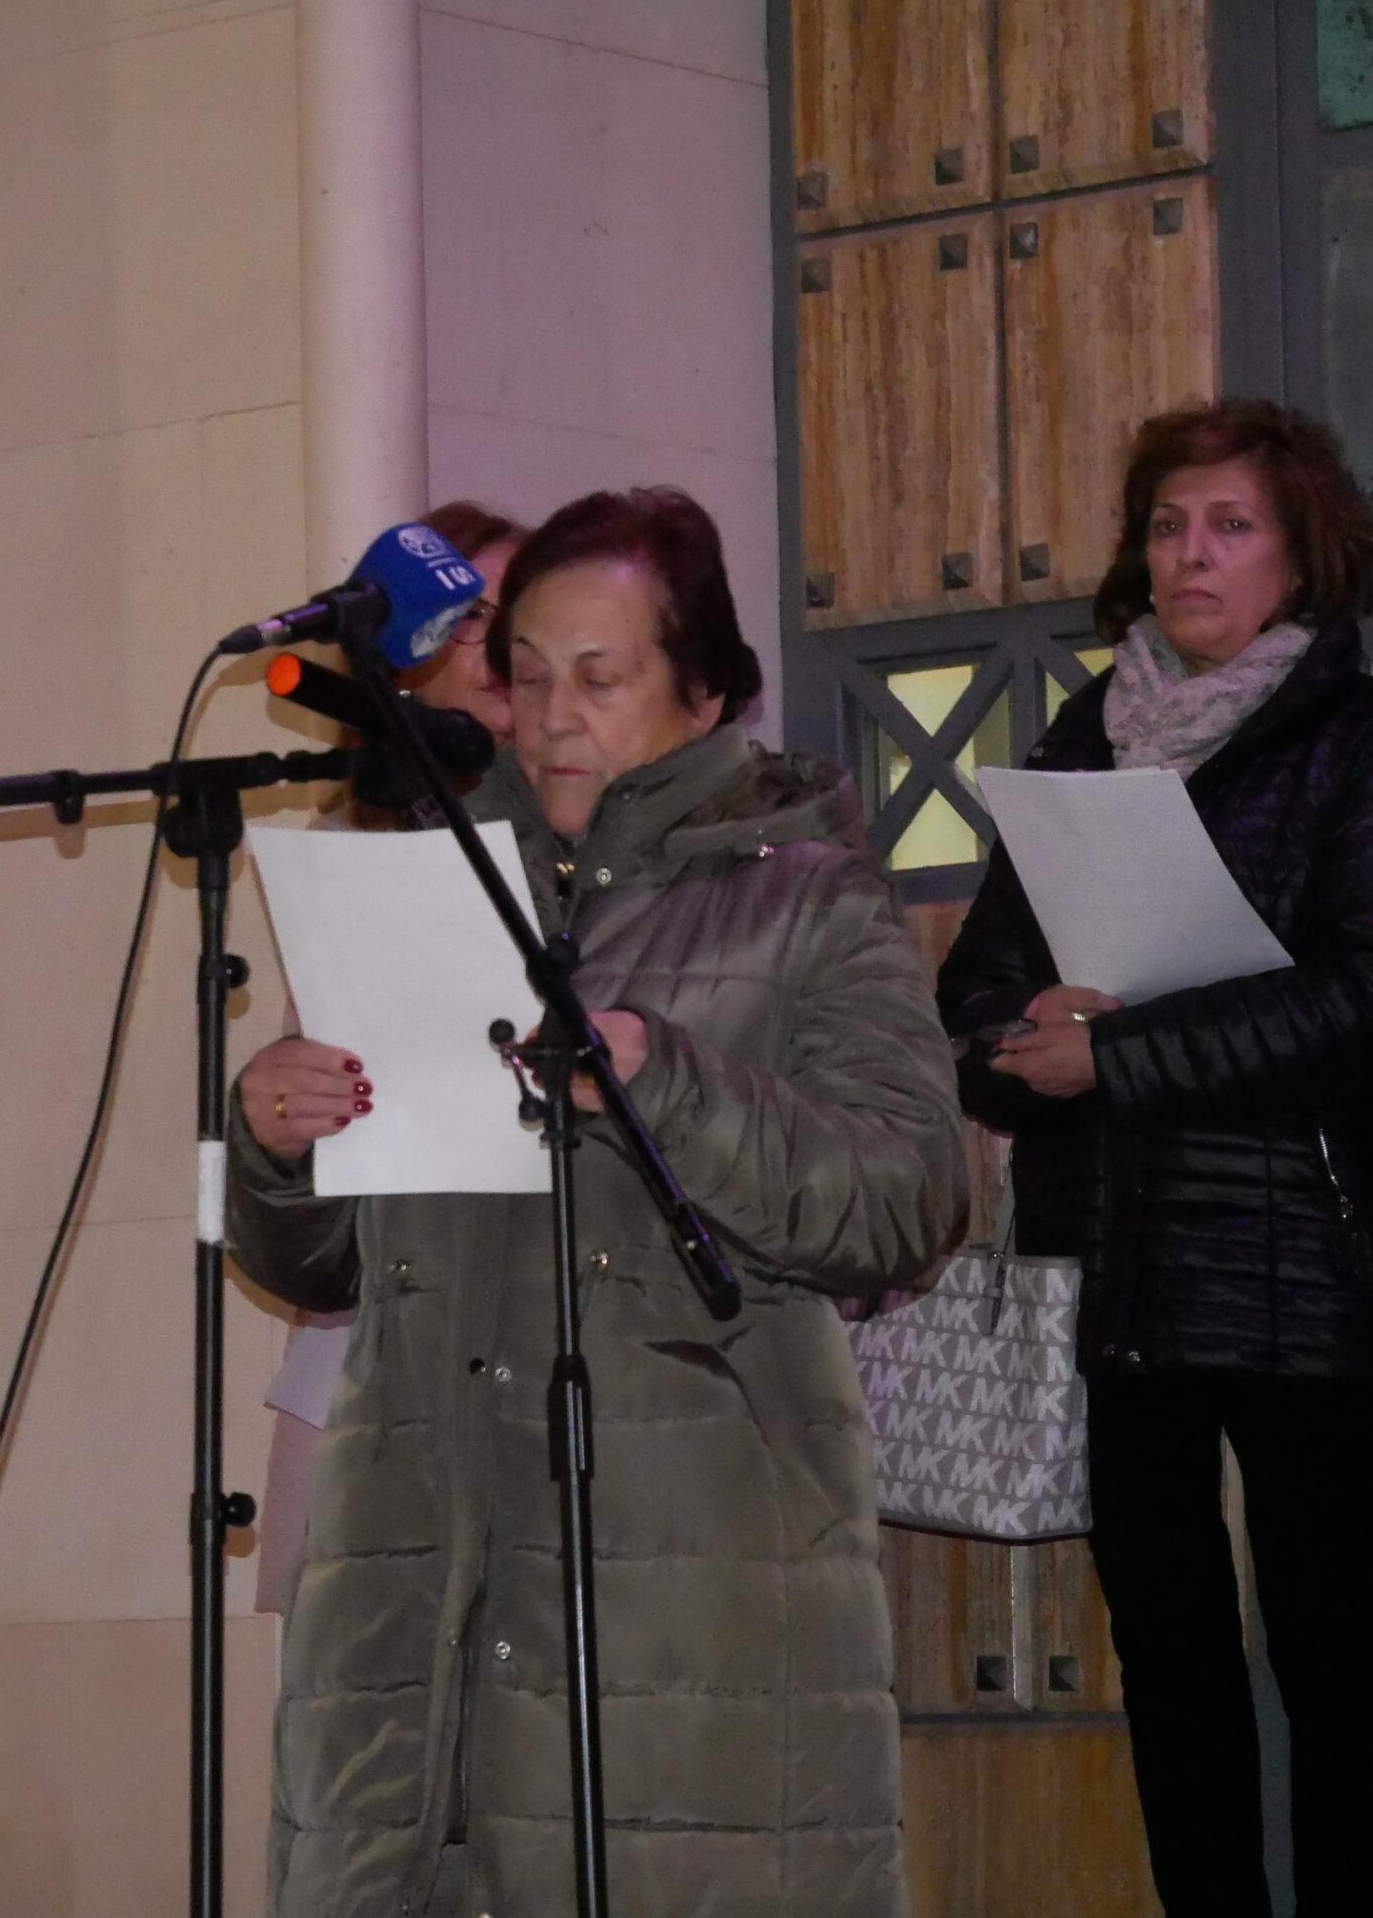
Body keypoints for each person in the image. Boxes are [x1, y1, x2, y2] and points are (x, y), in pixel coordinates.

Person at [230, 486, 968, 1918]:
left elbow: (911, 1195)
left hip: (681, 1625)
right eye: (530, 673)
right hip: (422, 1607)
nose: (553, 716)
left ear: (705, 692)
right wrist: (278, 1141)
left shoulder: (804, 901)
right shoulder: (427, 892)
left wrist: (664, 1078)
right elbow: (324, 1263)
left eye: (602, 675)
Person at [940, 400, 1373, 1918]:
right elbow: (975, 981)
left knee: (1329, 1635)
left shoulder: (1372, 737)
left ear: (1303, 553)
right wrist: (1021, 1025)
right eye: (1167, 524)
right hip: (1120, 1253)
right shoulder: (1080, 740)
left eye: (1229, 525)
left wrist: (1129, 1052)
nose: (1189, 553)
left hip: (1305, 1243)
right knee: (1164, 1644)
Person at [254, 498, 528, 1615]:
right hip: (378, 1352)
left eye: (518, 619)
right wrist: (277, 1110)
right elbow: (314, 1135)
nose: (497, 649)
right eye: (467, 621)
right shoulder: (350, 853)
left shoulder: (610, 855)